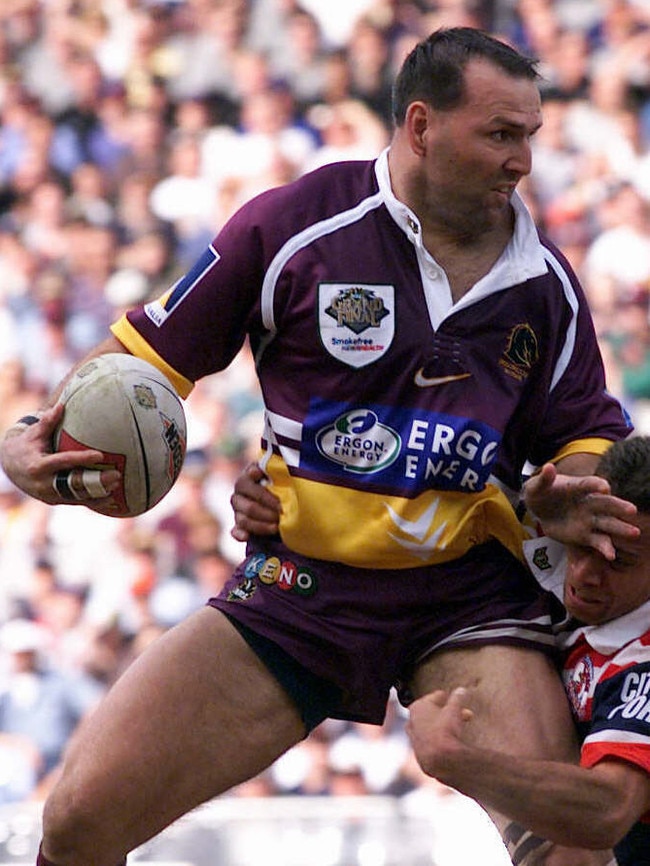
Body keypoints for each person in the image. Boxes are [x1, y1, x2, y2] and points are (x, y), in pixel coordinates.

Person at [0, 27, 637, 866]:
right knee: (78, 824)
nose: (523, 160)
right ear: (420, 125)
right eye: (500, 134)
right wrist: (25, 442)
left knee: (571, 853)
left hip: (470, 599)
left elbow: (588, 436)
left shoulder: (544, 283)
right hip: (301, 588)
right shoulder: (292, 228)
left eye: (530, 135)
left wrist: (565, 491)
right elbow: (138, 365)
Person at [407, 435, 650, 866]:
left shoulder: (642, 661)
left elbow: (610, 807)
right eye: (586, 544)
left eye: (620, 561)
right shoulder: (556, 519)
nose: (586, 574)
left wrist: (458, 762)